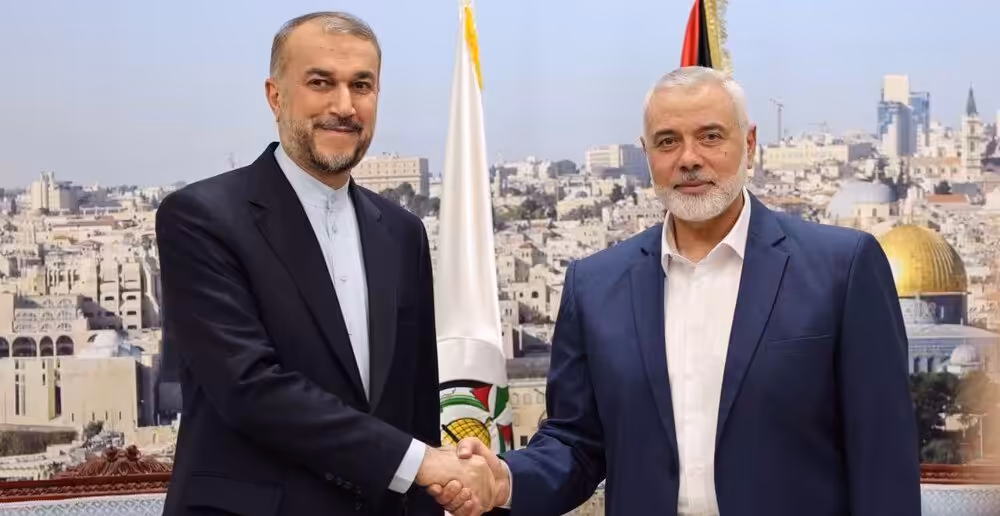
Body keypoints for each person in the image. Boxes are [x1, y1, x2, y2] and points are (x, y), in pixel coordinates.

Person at [430, 66, 922, 516]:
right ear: (646, 155)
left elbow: (882, 453)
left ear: (749, 143)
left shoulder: (842, 268)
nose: (689, 158)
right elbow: (578, 443)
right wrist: (505, 478)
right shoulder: (596, 285)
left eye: (710, 136)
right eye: (668, 142)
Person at [156, 11, 492, 516]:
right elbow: (250, 389)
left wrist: (435, 481)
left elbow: (414, 406)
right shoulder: (203, 218)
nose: (344, 105)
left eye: (362, 85)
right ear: (275, 95)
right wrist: (423, 464)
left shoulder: (402, 233)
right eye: (320, 83)